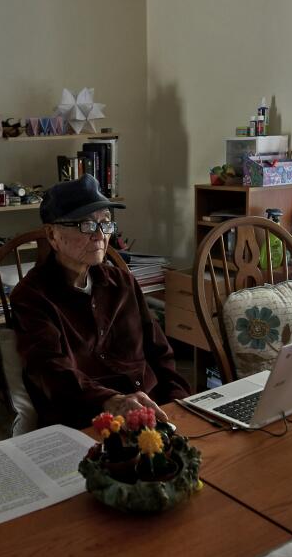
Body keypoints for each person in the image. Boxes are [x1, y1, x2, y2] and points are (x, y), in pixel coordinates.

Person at [11, 175, 190, 429]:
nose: (99, 235)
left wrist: (179, 403)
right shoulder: (31, 297)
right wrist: (113, 401)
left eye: (105, 223)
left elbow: (160, 353)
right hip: (90, 419)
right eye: (85, 225)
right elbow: (51, 373)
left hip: (154, 410)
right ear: (52, 235)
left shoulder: (123, 282)